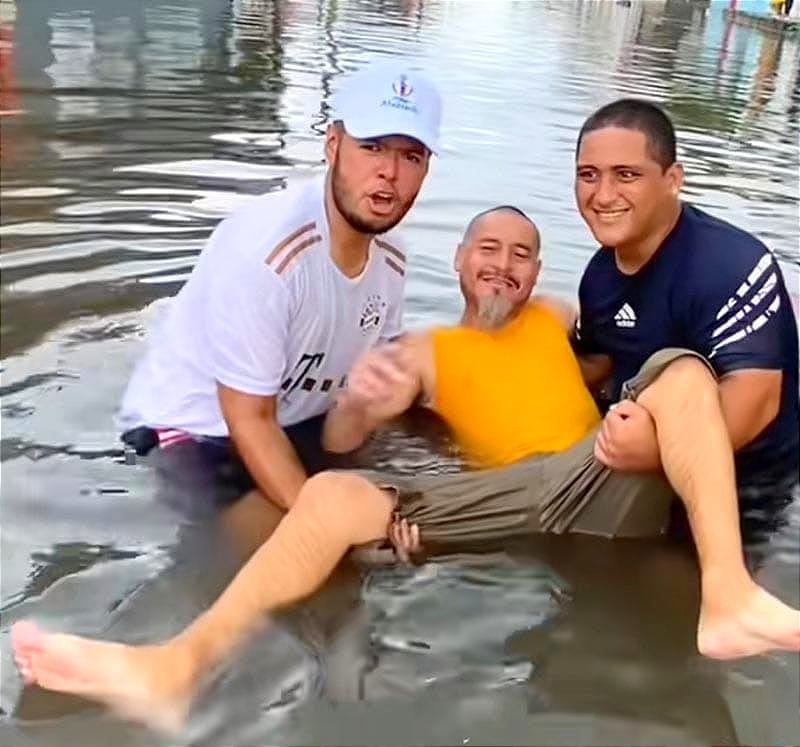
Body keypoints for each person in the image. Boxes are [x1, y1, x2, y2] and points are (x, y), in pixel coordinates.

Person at [12, 206, 800, 734]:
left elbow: (613, 359)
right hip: (517, 499)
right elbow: (346, 434)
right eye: (488, 250)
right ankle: (175, 666)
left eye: (521, 254)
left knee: (682, 372)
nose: (503, 266)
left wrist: (644, 409)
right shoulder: (421, 351)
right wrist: (360, 402)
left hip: (601, 476)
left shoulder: (559, 317)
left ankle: (727, 594)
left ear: (537, 271)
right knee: (331, 495)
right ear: (459, 261)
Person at [116, 59, 442, 516]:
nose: (389, 171)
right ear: (333, 145)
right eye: (372, 147)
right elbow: (249, 420)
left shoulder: (392, 259)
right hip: (194, 432)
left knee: (392, 514)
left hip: (296, 420)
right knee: (304, 540)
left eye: (411, 156)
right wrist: (322, 523)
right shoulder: (268, 252)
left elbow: (360, 398)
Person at [570, 97, 800, 629]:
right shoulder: (599, 277)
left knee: (673, 603)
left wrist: (652, 451)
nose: (602, 195)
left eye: (626, 175)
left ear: (673, 180)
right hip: (642, 461)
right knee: (588, 588)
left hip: (748, 478)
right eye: (588, 175)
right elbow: (597, 368)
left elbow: (756, 403)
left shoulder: (730, 263)